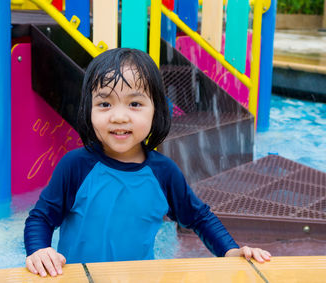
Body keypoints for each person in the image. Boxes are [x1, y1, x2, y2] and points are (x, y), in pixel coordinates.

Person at [24, 48, 271, 277]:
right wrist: (39, 251)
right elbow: (41, 218)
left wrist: (230, 251)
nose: (119, 117)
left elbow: (199, 217)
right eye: (104, 104)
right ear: (89, 109)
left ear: (156, 110)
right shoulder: (75, 167)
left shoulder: (163, 173)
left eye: (135, 104)